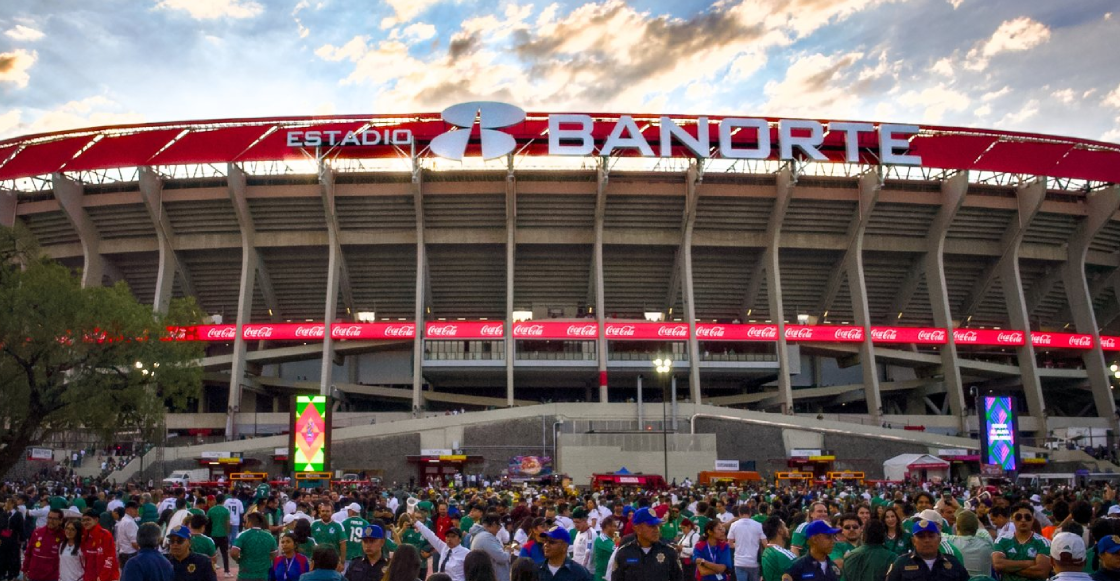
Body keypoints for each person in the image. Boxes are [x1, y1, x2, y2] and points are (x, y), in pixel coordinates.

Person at [605, 507, 683, 581]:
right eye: (651, 526)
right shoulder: (624, 553)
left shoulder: (669, 552)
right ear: (637, 529)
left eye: (657, 525)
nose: (656, 530)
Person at [885, 519, 968, 581]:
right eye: (921, 536)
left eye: (931, 536)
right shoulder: (901, 564)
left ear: (939, 540)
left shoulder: (953, 563)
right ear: (913, 541)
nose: (926, 540)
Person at [993, 503, 1052, 581]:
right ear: (1012, 519)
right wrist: (1029, 563)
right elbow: (998, 564)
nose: (1023, 520)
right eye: (1018, 517)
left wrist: (1008, 568)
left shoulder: (1043, 542)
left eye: (1027, 517)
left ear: (1033, 519)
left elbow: (1041, 572)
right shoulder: (1001, 541)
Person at [413, 515, 469, 581]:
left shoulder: (466, 553)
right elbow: (430, 535)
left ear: (460, 539)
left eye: (453, 536)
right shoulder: (444, 548)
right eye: (448, 536)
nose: (449, 539)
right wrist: (417, 522)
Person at [944, 509, 993, 578]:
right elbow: (981, 527)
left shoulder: (950, 542)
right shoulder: (987, 540)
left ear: (957, 527)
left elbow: (935, 529)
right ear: (976, 527)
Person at [232, 512, 278, 581]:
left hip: (245, 575)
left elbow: (234, 553)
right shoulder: (269, 536)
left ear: (249, 522)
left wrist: (238, 560)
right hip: (262, 576)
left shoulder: (243, 535)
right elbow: (274, 555)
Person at [468, 513, 512, 581]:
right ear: (494, 524)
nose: (498, 530)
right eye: (499, 527)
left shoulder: (478, 535)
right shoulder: (486, 537)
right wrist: (507, 550)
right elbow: (502, 558)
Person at [81, 508, 120, 581]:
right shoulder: (84, 536)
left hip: (106, 577)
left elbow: (110, 558)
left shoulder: (105, 535)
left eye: (88, 520)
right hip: (89, 577)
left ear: (96, 520)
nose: (85, 522)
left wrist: (102, 577)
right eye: (83, 520)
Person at [728, 504, 765, 581]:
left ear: (739, 513)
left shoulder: (734, 525)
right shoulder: (758, 525)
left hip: (739, 562)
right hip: (754, 562)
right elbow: (765, 543)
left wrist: (738, 545)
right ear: (750, 513)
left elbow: (730, 544)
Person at [760, 516, 795, 581]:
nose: (787, 529)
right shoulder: (783, 555)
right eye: (785, 526)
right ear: (780, 530)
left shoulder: (767, 551)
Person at [208, 495, 232, 575]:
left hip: (213, 534)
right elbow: (228, 523)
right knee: (225, 554)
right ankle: (226, 571)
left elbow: (207, 521)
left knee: (211, 553)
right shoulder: (226, 510)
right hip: (223, 534)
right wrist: (228, 532)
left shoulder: (211, 510)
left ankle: (210, 570)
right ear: (223, 500)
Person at [116, 502, 140, 567]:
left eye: (137, 509)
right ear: (127, 510)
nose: (137, 511)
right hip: (130, 554)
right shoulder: (129, 522)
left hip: (123, 553)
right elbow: (134, 543)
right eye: (134, 509)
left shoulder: (123, 520)